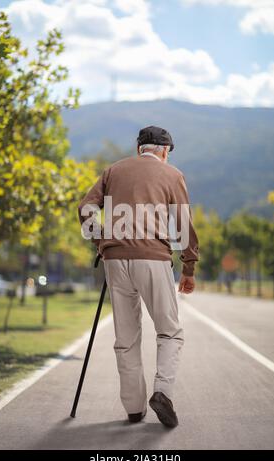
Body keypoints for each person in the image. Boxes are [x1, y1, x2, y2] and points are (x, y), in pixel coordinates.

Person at [78, 126, 199, 428]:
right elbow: (183, 223)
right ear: (164, 150)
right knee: (169, 331)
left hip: (115, 260)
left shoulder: (112, 171)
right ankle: (162, 392)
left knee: (126, 338)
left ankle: (134, 408)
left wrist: (101, 242)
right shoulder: (172, 175)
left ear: (139, 149)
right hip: (153, 259)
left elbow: (86, 208)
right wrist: (188, 266)